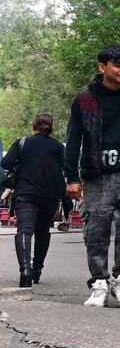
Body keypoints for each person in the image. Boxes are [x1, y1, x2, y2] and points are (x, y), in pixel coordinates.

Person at [65, 45, 120, 307]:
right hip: (97, 177)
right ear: (102, 67)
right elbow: (73, 140)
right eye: (117, 65)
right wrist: (72, 176)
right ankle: (99, 282)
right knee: (96, 231)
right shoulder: (84, 99)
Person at [1, 114, 69, 287]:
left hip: (25, 194)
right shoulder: (57, 147)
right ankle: (37, 270)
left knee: (24, 231)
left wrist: (21, 162)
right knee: (43, 231)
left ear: (34, 126)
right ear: (50, 127)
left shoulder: (21, 143)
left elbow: (6, 163)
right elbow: (67, 169)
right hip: (49, 195)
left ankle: (25, 272)